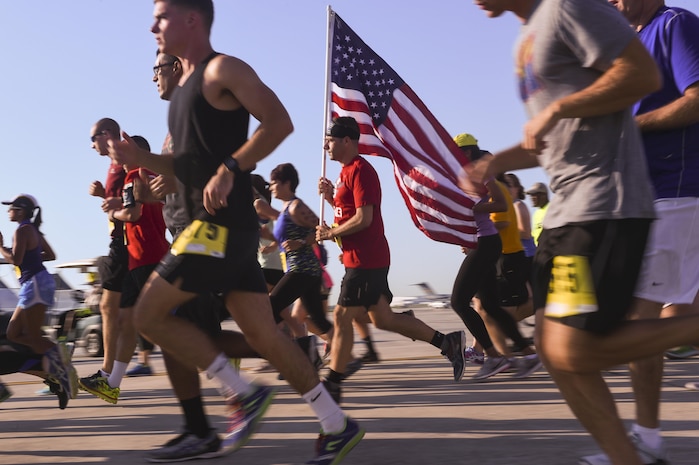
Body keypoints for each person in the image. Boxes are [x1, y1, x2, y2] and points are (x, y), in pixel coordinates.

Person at [110, 2, 363, 464]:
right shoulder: (183, 88)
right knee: (266, 337)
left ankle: (241, 393)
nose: (152, 26)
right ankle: (336, 424)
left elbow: (280, 121)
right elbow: (186, 167)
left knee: (145, 316)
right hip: (225, 232)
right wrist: (138, 159)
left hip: (215, 229)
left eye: (161, 16)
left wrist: (232, 166)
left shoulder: (221, 69)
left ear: (191, 19)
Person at [471, 1, 699, 464]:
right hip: (566, 213)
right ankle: (631, 455)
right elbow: (560, 135)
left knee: (580, 347)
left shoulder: (571, 9)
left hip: (611, 205)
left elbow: (642, 77)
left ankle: (644, 442)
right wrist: (496, 162)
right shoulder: (528, 37)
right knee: (553, 351)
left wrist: (560, 110)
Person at [580, 2, 699, 464]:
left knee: (638, 323)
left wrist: (631, 125)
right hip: (642, 199)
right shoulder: (625, 44)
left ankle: (645, 442)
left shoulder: (675, 25)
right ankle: (647, 440)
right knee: (645, 324)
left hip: (675, 191)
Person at [316, 116, 467, 402]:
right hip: (358, 257)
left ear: (347, 140)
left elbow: (364, 218)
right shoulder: (344, 173)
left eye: (330, 140)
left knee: (341, 315)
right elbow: (347, 213)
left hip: (367, 259)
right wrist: (330, 199)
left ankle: (334, 382)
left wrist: (329, 233)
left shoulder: (362, 171)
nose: (327, 146)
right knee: (383, 319)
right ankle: (447, 342)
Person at [79, 136, 170, 404]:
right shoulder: (151, 174)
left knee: (160, 324)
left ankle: (220, 357)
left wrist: (112, 210)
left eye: (123, 149)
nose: (116, 155)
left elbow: (132, 215)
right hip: (140, 258)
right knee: (127, 321)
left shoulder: (133, 176)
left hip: (146, 256)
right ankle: (112, 382)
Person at [450, 136, 539, 380]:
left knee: (459, 301)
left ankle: (495, 356)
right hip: (483, 243)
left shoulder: (483, 175)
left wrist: (471, 209)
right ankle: (527, 354)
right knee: (489, 305)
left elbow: (500, 205)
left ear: (466, 153)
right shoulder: (467, 177)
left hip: (487, 243)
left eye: (455, 151)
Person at [0, 194, 77, 402]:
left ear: (22, 211)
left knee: (32, 336)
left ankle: (62, 362)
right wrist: (29, 259)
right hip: (38, 281)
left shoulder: (21, 230)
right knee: (14, 333)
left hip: (34, 283)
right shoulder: (32, 230)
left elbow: (15, 259)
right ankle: (58, 353)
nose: (8, 211)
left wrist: (0, 247)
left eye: (12, 208)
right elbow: (50, 255)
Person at [86, 117, 128, 385]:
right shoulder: (114, 166)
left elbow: (139, 199)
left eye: (93, 138)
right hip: (122, 241)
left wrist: (113, 202)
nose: (91, 145)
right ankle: (109, 377)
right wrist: (105, 196)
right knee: (131, 314)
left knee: (110, 307)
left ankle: (108, 374)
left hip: (126, 243)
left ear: (108, 134)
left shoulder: (125, 160)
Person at [525, 182, 549, 246]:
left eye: (534, 195)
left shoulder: (552, 209)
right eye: (530, 195)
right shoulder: (536, 213)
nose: (531, 198)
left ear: (544, 195)